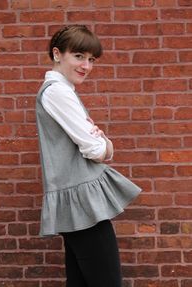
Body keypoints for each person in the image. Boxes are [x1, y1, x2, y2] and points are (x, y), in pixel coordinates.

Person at [36, 24, 142, 287]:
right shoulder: (58, 92)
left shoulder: (60, 90)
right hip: (82, 202)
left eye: (91, 59)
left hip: (76, 201)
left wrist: (99, 141)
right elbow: (95, 150)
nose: (86, 65)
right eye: (79, 56)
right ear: (57, 54)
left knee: (81, 281)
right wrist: (106, 143)